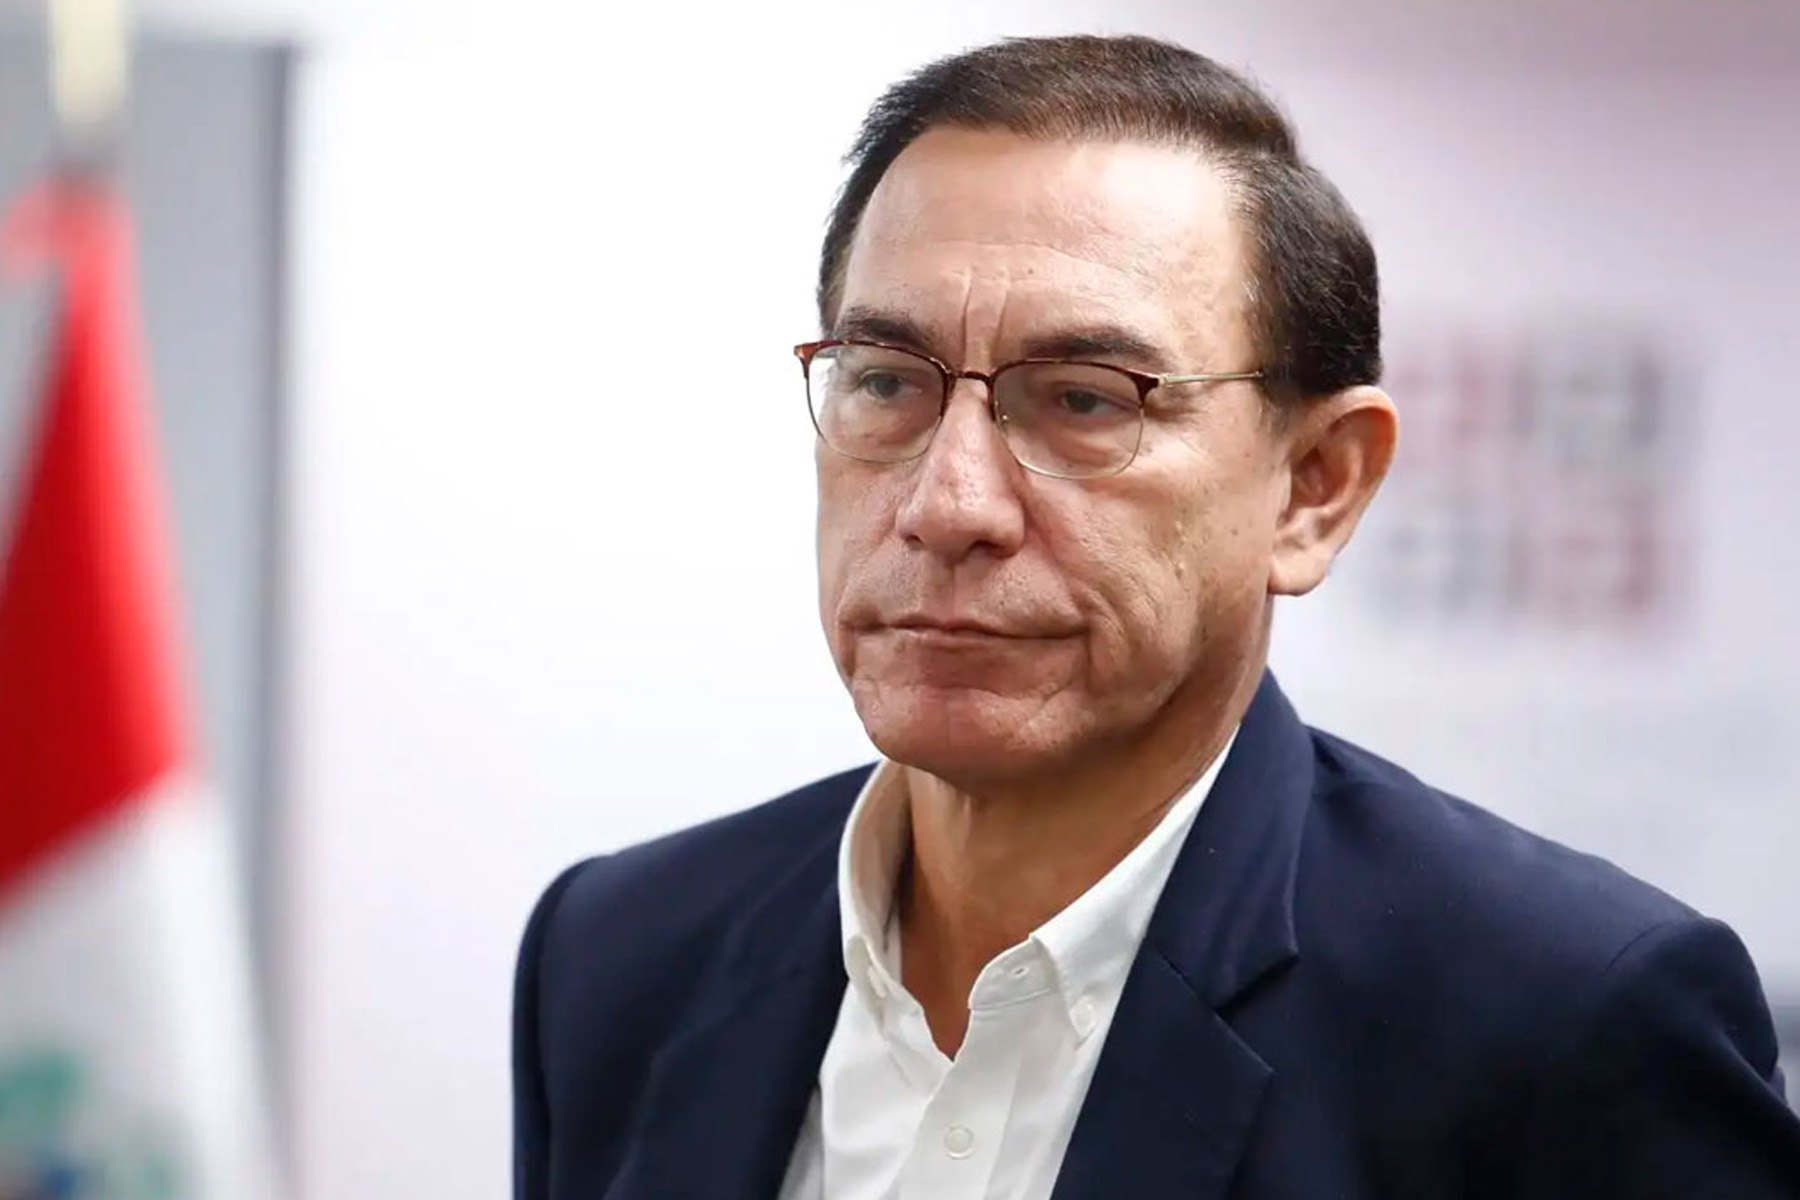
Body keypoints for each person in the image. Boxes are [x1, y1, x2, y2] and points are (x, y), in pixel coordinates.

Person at [511, 34, 1800, 1199]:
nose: (949, 504)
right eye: (889, 382)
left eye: (1086, 399)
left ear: (1314, 486)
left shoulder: (1562, 1023)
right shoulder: (621, 953)